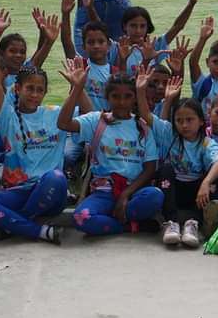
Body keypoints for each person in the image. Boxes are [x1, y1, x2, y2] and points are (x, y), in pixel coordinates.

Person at [0, 30, 68, 244]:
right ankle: (38, 231)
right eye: (29, 88)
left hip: (49, 191)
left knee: (57, 178)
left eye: (39, 90)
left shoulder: (55, 114)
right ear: (18, 88)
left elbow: (90, 115)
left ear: (45, 93)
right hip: (17, 191)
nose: (34, 94)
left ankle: (13, 224)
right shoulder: (8, 118)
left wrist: (78, 85)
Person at [58, 69, 164, 237]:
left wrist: (125, 195)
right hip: (103, 192)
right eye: (116, 96)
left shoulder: (143, 127)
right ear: (107, 97)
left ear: (135, 98)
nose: (122, 102)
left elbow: (150, 168)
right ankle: (129, 226)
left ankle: (114, 218)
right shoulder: (97, 120)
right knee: (80, 218)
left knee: (155, 196)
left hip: (133, 193)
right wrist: (77, 88)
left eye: (128, 96)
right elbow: (63, 123)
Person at [137, 70, 218, 249]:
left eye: (189, 120)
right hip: (172, 189)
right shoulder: (170, 134)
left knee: (215, 177)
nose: (184, 125)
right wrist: (140, 90)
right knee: (165, 169)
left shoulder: (206, 143)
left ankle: (194, 223)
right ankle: (171, 223)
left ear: (201, 121)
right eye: (179, 120)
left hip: (196, 191)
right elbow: (146, 115)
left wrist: (206, 183)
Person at [188, 17, 218, 116]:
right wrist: (202, 39)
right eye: (216, 62)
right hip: (204, 125)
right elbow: (193, 62)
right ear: (207, 62)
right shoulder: (202, 82)